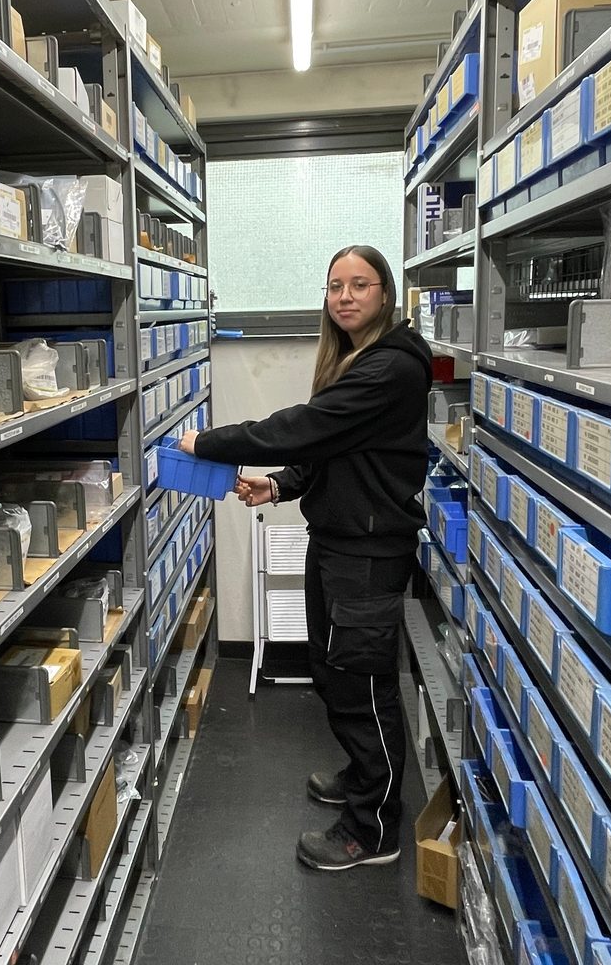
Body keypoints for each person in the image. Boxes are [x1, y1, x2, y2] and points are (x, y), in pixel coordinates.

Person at [177, 244, 433, 871]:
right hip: (338, 539)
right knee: (332, 669)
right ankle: (363, 779)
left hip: (368, 551)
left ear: (384, 294)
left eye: (359, 285)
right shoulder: (355, 359)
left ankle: (372, 832)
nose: (345, 297)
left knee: (363, 685)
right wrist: (283, 484)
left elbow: (304, 426)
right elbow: (335, 447)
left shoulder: (390, 367)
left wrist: (207, 442)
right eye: (335, 286)